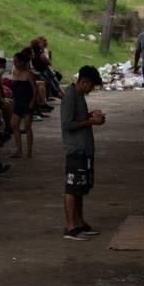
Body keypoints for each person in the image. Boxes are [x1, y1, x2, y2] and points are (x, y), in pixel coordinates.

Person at [61, 66, 105, 241]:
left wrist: (90, 115)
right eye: (91, 86)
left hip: (84, 149)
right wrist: (90, 121)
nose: (91, 89)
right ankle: (70, 226)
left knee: (80, 188)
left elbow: (77, 117)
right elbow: (67, 124)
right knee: (72, 189)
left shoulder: (78, 96)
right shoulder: (70, 95)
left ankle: (79, 222)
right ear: (83, 81)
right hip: (75, 149)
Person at [10, 52, 37, 158]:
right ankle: (19, 150)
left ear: (22, 62)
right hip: (17, 102)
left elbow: (35, 90)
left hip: (27, 102)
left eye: (16, 61)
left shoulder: (28, 74)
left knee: (27, 127)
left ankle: (29, 151)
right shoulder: (15, 72)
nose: (14, 63)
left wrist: (32, 102)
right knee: (14, 126)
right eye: (14, 61)